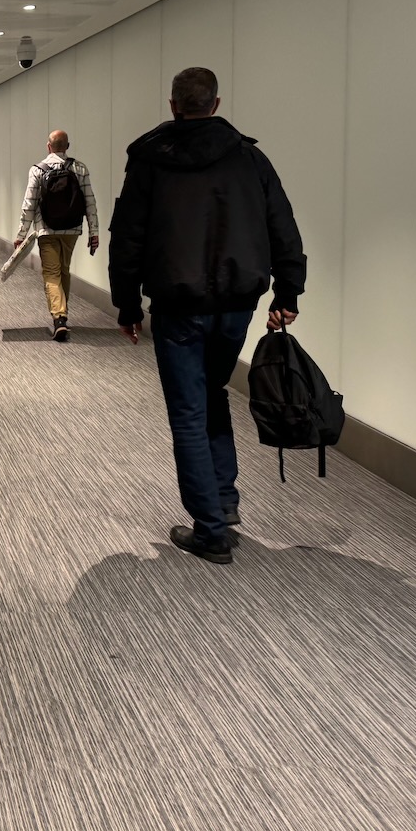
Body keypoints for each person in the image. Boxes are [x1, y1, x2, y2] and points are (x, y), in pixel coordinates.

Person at [108, 67, 306, 566]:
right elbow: (283, 228)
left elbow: (127, 237)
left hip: (178, 307)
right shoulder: (251, 160)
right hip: (238, 305)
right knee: (213, 394)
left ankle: (211, 530)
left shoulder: (150, 162)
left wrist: (127, 304)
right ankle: (225, 499)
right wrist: (289, 292)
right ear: (215, 104)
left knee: (189, 412)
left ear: (174, 105)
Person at [13, 130, 99, 341]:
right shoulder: (80, 168)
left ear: (48, 146)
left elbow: (29, 205)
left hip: (46, 230)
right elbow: (90, 201)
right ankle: (63, 315)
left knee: (51, 273)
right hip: (72, 229)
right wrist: (94, 232)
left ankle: (59, 318)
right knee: (64, 270)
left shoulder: (37, 170)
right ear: (67, 146)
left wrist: (21, 234)